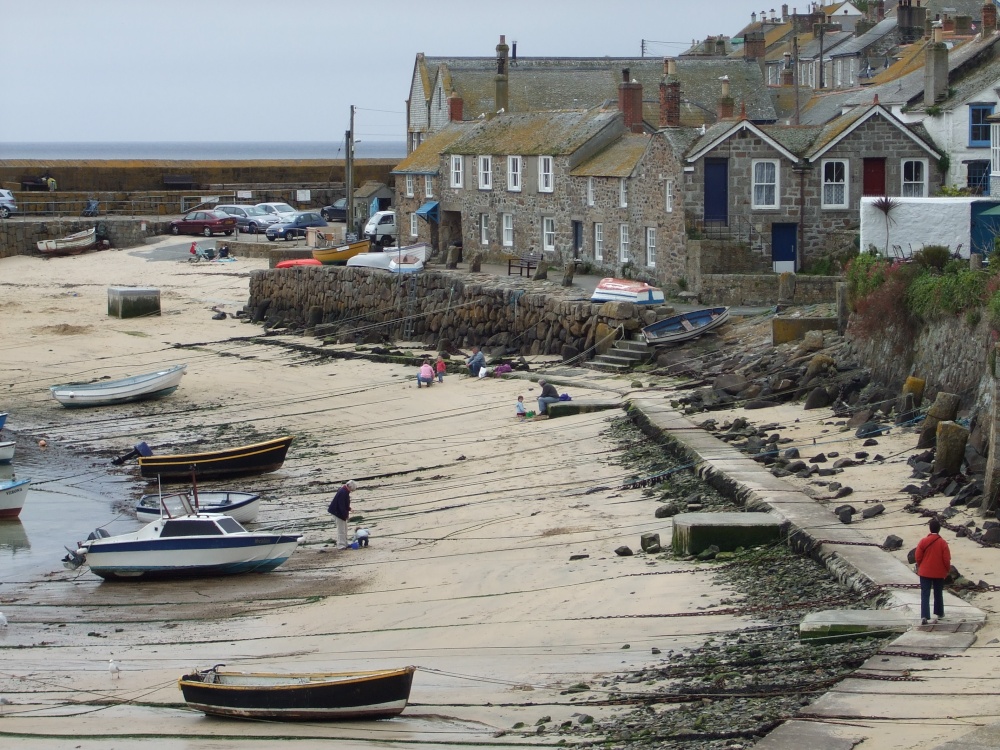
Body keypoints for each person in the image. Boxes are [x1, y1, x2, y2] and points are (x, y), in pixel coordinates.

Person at [915, 518, 951, 625]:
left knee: (925, 594)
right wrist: (947, 570)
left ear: (930, 529)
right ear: (939, 529)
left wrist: (922, 565)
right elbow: (946, 559)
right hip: (939, 572)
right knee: (938, 593)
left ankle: (925, 616)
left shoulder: (923, 541)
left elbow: (918, 556)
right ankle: (939, 613)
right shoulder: (943, 543)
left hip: (925, 572)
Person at [327, 480, 356, 549]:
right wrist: (345, 515)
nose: (351, 491)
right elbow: (341, 506)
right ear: (349, 486)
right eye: (351, 490)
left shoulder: (345, 491)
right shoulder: (343, 492)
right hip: (337, 512)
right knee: (341, 530)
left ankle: (345, 543)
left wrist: (349, 509)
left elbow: (345, 503)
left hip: (339, 512)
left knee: (345, 529)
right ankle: (340, 545)